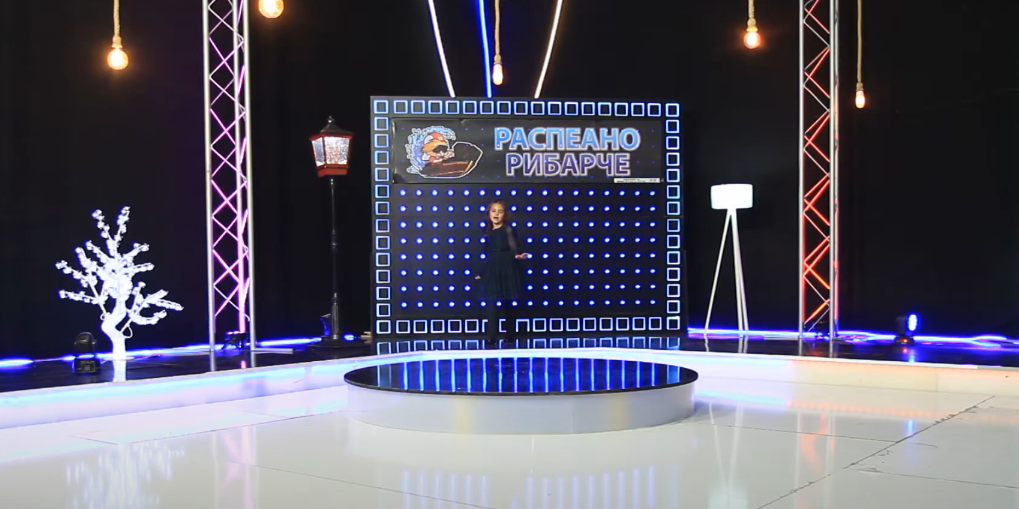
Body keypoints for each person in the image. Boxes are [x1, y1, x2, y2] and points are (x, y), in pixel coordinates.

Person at [475, 200, 530, 347]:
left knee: (508, 303)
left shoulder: (508, 230)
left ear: (504, 214)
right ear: (489, 213)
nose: (496, 214)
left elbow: (514, 247)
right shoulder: (487, 231)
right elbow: (486, 253)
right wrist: (481, 271)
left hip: (507, 266)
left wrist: (518, 255)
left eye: (500, 211)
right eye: (493, 211)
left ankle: (509, 335)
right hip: (492, 268)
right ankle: (491, 337)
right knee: (491, 303)